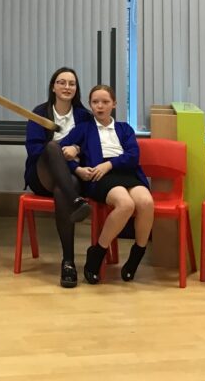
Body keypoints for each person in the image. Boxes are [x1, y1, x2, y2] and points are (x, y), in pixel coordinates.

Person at [63, 85, 153, 285]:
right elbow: (60, 152)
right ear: (90, 105)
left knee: (146, 203)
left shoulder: (124, 128)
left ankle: (137, 254)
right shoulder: (83, 128)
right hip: (100, 176)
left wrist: (110, 164)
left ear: (114, 104)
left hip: (126, 172)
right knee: (126, 204)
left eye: (105, 102)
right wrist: (77, 169)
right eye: (95, 102)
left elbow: (133, 156)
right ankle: (97, 252)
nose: (100, 106)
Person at [23, 67, 93, 287]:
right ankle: (76, 200)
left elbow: (91, 148)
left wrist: (78, 150)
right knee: (52, 147)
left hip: (73, 177)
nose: (66, 87)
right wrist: (64, 151)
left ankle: (68, 262)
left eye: (71, 83)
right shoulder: (39, 113)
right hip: (42, 173)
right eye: (61, 82)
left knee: (64, 189)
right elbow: (34, 150)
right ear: (53, 87)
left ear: (76, 89)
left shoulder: (84, 116)